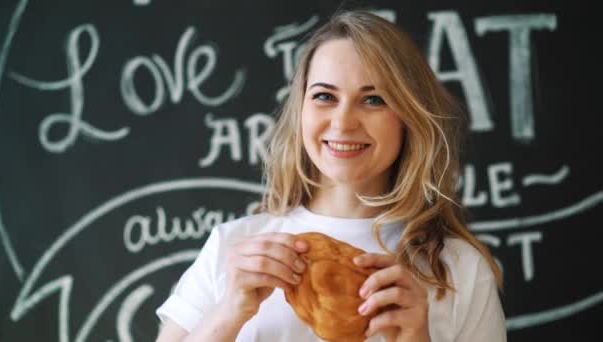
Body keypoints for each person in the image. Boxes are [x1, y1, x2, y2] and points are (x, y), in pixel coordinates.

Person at [155, 10, 506, 342]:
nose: (343, 122)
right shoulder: (234, 249)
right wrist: (230, 312)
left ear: (408, 116)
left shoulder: (460, 271)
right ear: (301, 110)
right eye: (324, 96)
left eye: (374, 100)